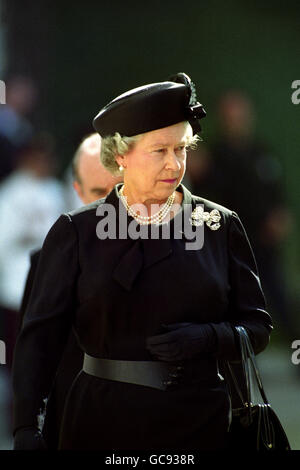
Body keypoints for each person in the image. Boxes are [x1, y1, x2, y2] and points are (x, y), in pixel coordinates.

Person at [12, 73, 272, 451]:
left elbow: (258, 328)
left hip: (200, 422)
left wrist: (209, 338)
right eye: (159, 150)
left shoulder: (219, 225)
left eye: (181, 149)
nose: (173, 163)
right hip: (100, 422)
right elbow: (39, 340)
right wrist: (25, 427)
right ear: (120, 155)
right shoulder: (77, 231)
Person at [18, 133, 122, 449]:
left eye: (117, 191)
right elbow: (33, 349)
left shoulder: (168, 254)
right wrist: (24, 426)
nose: (108, 205)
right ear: (77, 190)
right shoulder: (46, 262)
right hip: (71, 424)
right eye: (97, 192)